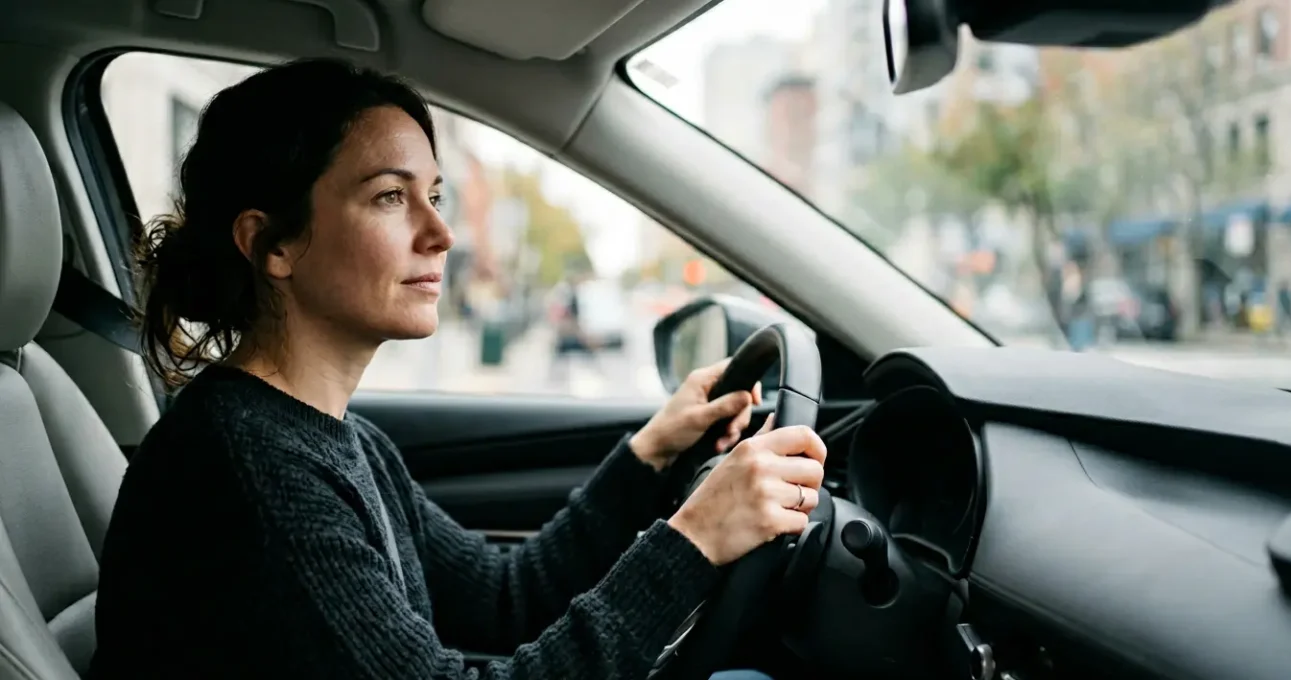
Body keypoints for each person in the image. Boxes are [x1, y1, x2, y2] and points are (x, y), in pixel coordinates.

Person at [88, 58, 826, 680]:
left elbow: (507, 599)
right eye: (389, 197)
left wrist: (653, 450)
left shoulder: (343, 442)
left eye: (434, 196)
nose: (441, 233)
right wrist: (695, 538)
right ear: (272, 244)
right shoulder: (246, 467)